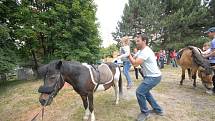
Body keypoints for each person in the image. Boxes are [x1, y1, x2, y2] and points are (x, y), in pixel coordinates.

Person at [128, 34, 164, 121]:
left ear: (144, 41)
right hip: (150, 76)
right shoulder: (141, 51)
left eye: (138, 41)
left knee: (139, 92)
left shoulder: (146, 51)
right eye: (136, 41)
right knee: (146, 93)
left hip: (154, 77)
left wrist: (128, 55)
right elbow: (134, 57)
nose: (136, 43)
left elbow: (135, 63)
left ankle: (145, 113)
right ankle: (158, 110)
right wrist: (127, 54)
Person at [203, 27, 215, 93]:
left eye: (209, 33)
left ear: (213, 32)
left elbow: (214, 52)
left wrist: (205, 56)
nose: (208, 34)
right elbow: (210, 49)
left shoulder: (213, 41)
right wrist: (203, 53)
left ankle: (214, 90)